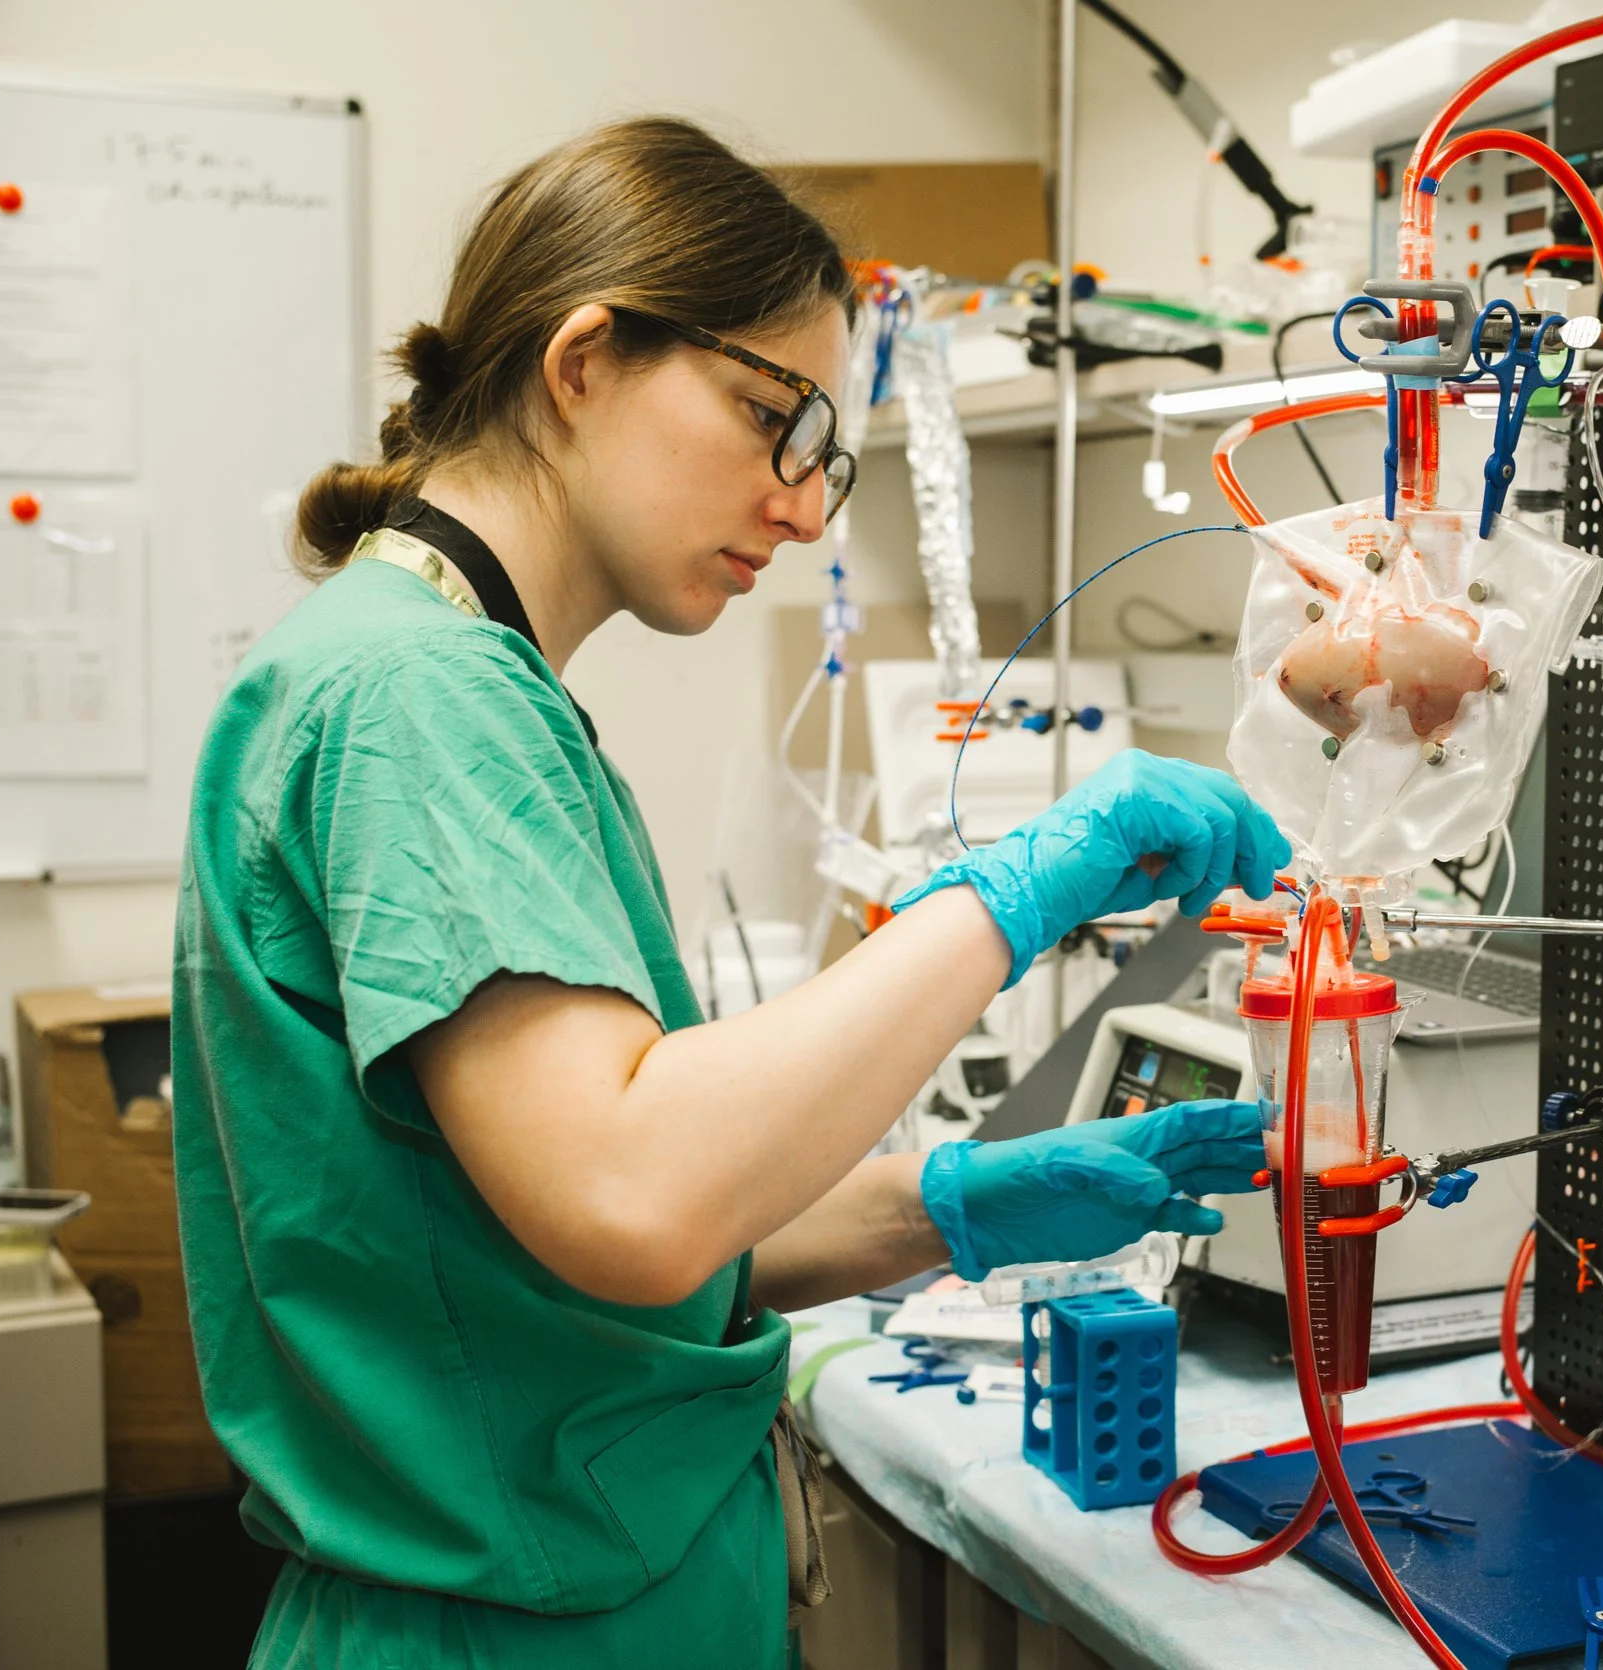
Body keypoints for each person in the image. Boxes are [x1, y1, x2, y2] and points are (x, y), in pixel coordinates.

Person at [171, 116, 1288, 1669]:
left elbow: (556, 1238)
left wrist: (949, 1205)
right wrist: (1026, 884)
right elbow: (635, 1193)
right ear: (584, 361)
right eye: (777, 420)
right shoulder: (420, 700)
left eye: (827, 454)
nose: (809, 507)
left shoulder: (451, 678)